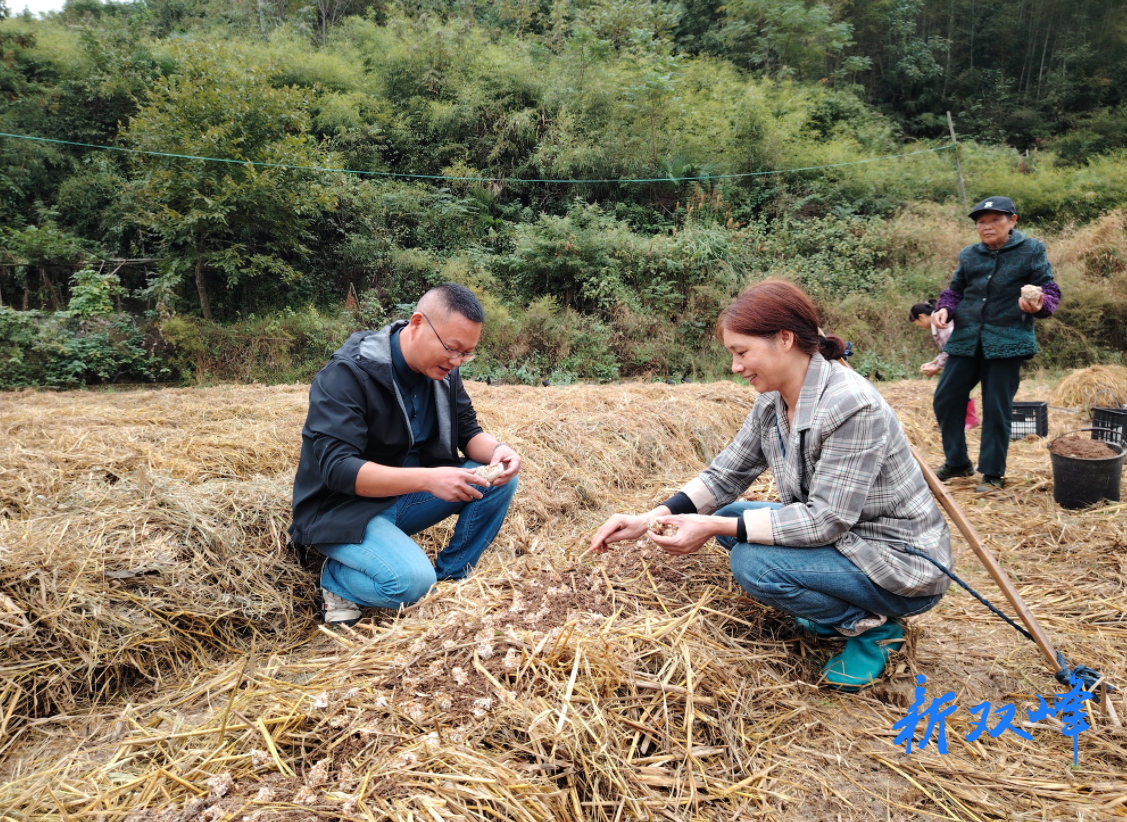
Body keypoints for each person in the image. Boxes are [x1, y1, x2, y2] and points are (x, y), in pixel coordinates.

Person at [590, 280, 952, 692]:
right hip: (844, 538)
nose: (736, 367)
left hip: (893, 561)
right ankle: (833, 601)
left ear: (784, 339)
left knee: (753, 565)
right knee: (729, 515)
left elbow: (825, 521)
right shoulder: (773, 399)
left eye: (742, 353)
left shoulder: (852, 406)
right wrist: (650, 517)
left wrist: (708, 528)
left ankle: (870, 628)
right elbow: (726, 474)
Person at [289, 284, 521, 626]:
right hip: (342, 509)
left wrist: (500, 451)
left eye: (467, 354)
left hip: (403, 497)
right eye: (452, 349)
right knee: (411, 581)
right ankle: (336, 579)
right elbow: (338, 469)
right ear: (416, 324)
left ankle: (450, 580)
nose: (457, 361)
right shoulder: (348, 374)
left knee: (499, 480)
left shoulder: (442, 371)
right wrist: (430, 479)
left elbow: (469, 432)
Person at [931, 196, 1061, 492]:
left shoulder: (1031, 250)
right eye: (980, 222)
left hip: (1008, 338)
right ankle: (957, 462)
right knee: (946, 398)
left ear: (1012, 221)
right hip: (966, 339)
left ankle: (992, 473)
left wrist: (1039, 305)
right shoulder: (969, 255)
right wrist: (944, 308)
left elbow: (1049, 289)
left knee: (996, 406)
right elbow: (955, 291)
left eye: (995, 220)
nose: (986, 227)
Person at [909, 300, 979, 430]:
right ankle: (962, 419)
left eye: (917, 323)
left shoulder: (941, 322)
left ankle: (968, 419)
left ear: (921, 317)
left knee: (953, 388)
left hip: (966, 356)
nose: (918, 326)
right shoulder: (938, 322)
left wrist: (936, 368)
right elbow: (945, 350)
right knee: (956, 388)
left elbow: (951, 346)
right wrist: (933, 362)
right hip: (963, 355)